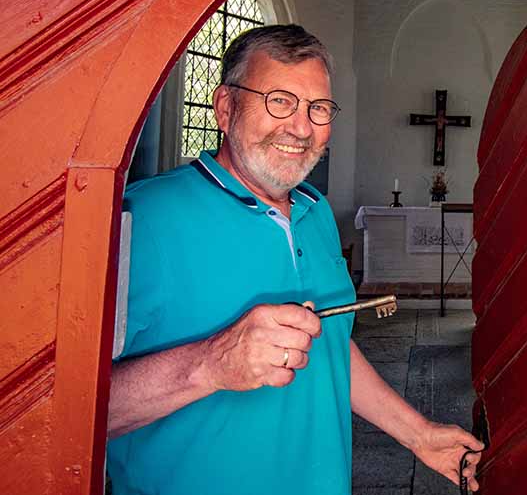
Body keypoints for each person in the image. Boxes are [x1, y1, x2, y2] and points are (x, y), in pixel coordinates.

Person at [106, 24, 483, 494]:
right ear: (225, 108)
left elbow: (328, 347)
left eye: (318, 108)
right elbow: (62, 411)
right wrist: (208, 364)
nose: (301, 127)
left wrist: (420, 435)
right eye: (279, 100)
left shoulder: (315, 212)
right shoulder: (141, 219)